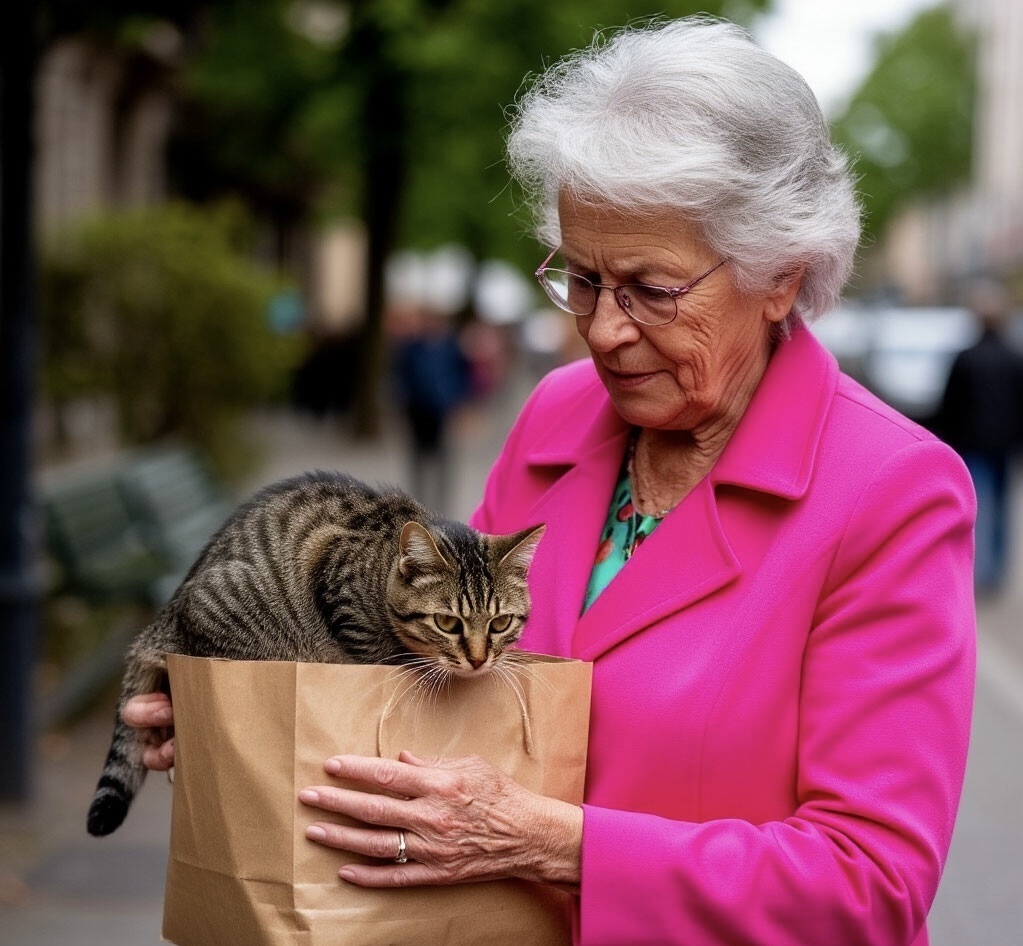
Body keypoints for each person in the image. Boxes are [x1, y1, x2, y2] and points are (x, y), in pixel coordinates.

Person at [125, 17, 976, 945]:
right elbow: (435, 684)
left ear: (782, 275)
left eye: (650, 288)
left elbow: (870, 888)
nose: (603, 330)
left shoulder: (891, 492)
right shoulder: (558, 415)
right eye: (580, 277)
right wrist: (245, 714)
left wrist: (552, 845)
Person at [934, 277, 1023, 594]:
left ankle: (976, 569)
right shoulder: (1015, 358)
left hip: (971, 442)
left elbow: (949, 404)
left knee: (975, 507)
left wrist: (946, 438)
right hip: (1004, 445)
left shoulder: (966, 358)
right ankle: (996, 570)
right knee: (1001, 507)